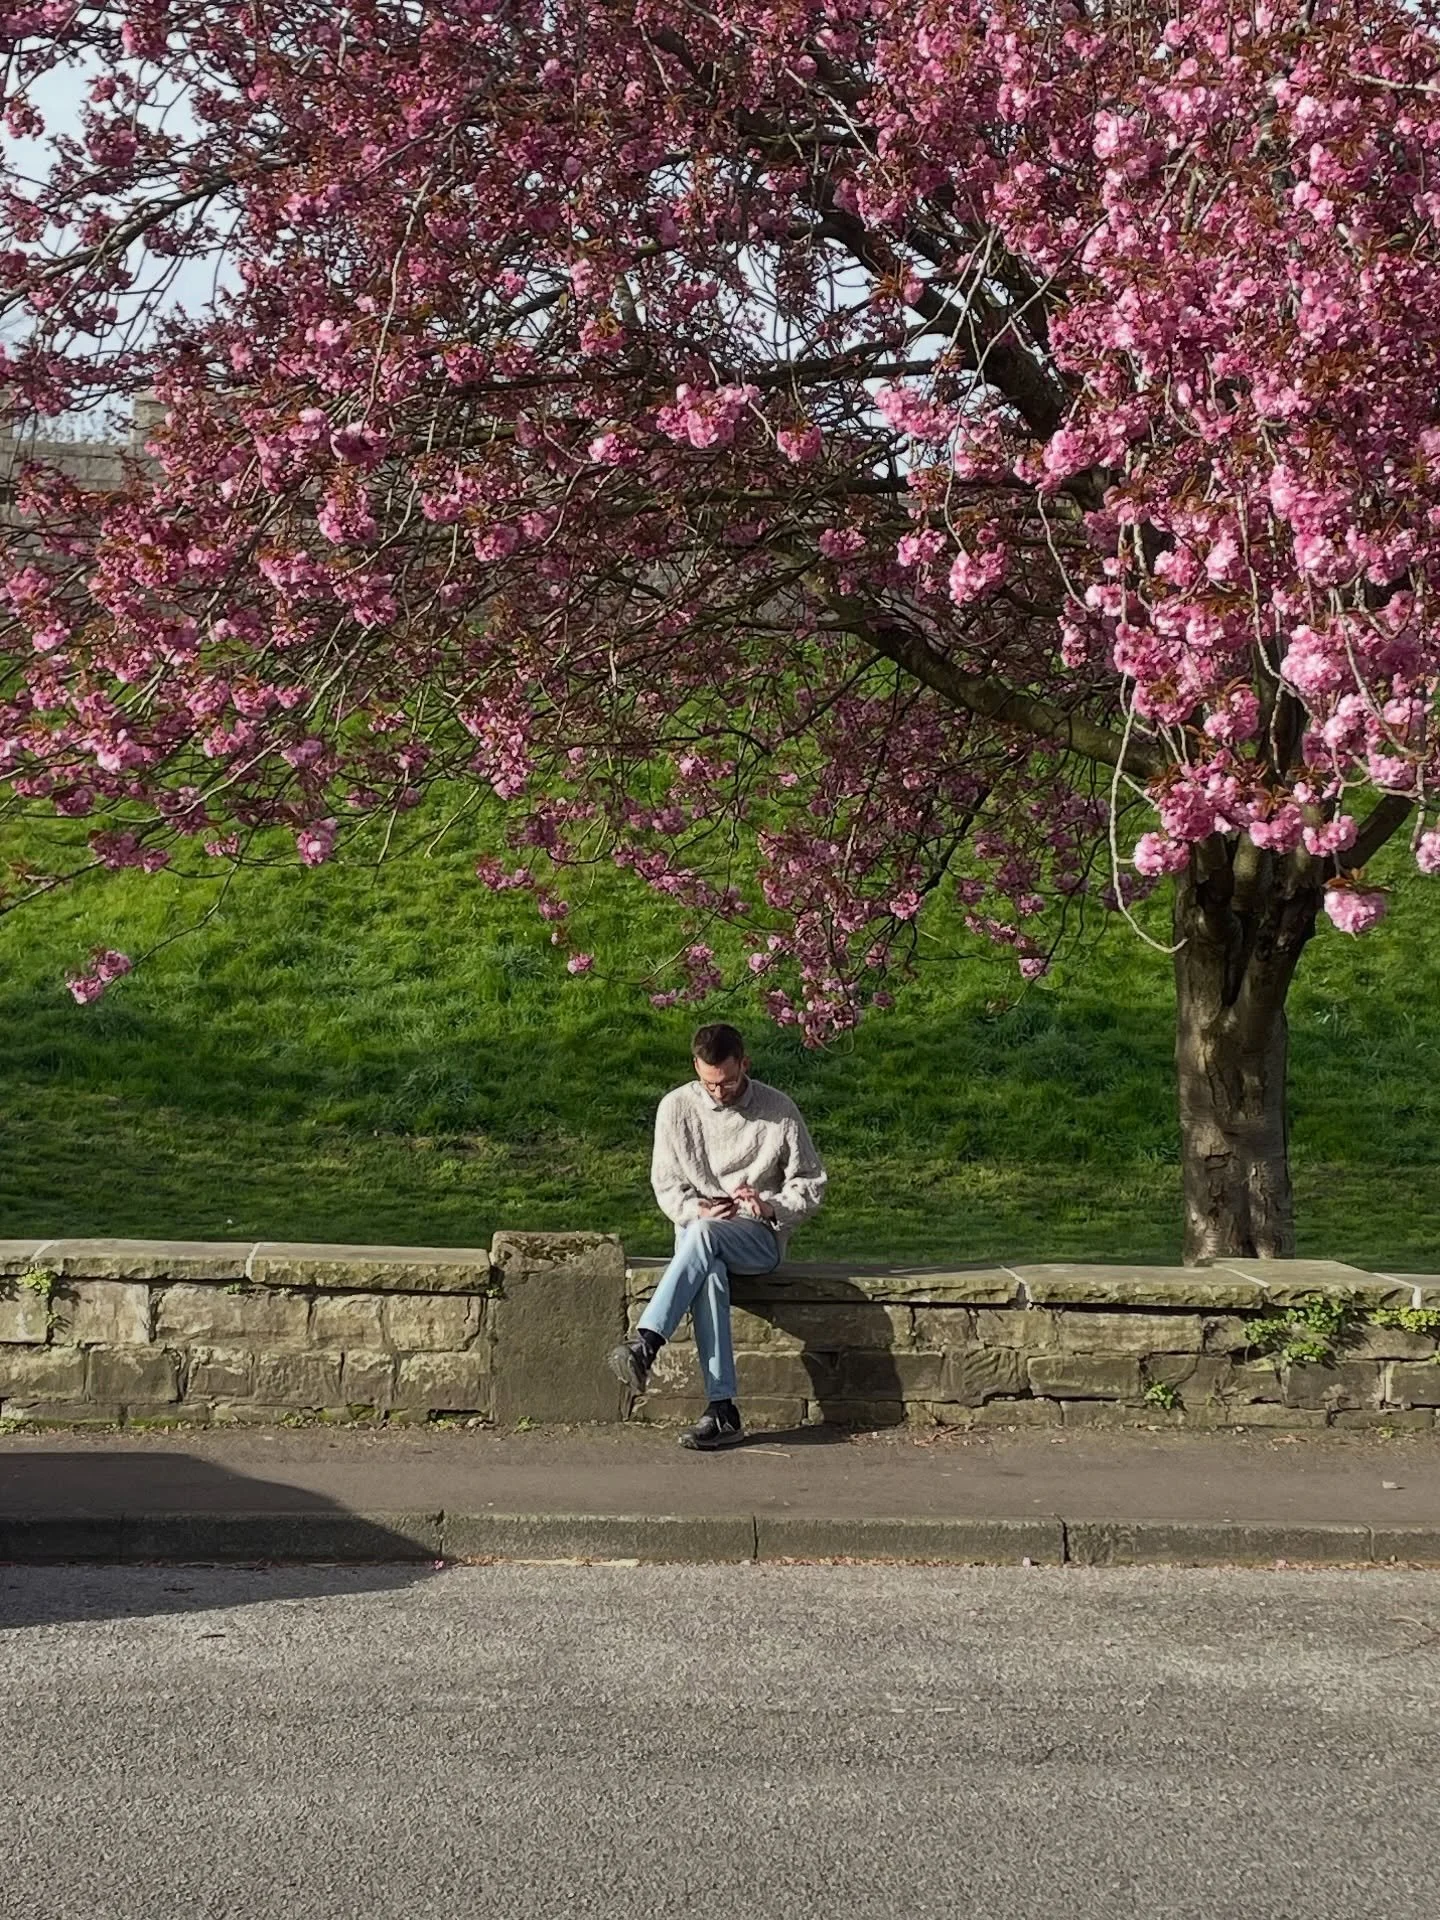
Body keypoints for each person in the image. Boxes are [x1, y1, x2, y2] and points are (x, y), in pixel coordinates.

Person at [609, 1022, 827, 1450]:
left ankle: (647, 1342)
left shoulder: (778, 1110)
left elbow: (811, 1183)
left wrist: (769, 1207)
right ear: (696, 1067)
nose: (720, 1092)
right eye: (710, 1084)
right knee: (707, 1269)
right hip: (698, 1235)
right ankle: (722, 1411)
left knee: (705, 1239)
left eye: (727, 1082)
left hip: (758, 1236)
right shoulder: (675, 1107)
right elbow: (668, 1185)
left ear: (744, 1064)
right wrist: (700, 1209)